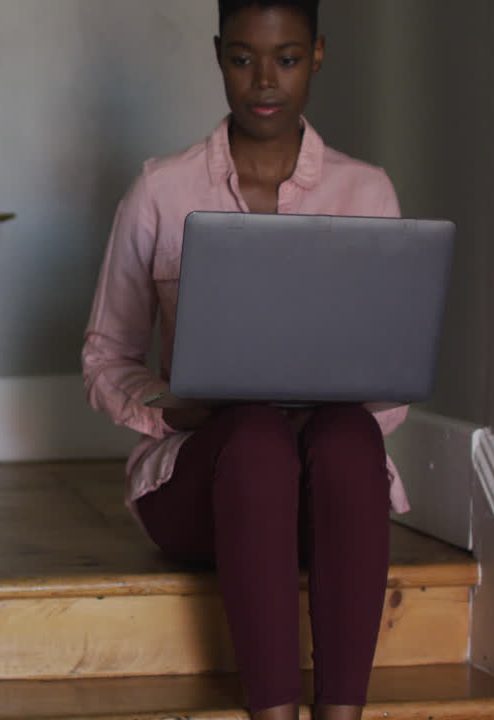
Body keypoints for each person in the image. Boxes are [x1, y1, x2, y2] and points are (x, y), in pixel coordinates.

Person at [81, 2, 411, 719]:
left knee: (351, 435)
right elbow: (106, 355)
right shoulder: (161, 191)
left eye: (287, 59)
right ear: (218, 55)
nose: (265, 81)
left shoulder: (367, 192)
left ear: (316, 55)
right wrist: (173, 407)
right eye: (242, 58)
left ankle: (343, 713)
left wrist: (333, 392)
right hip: (208, 484)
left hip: (322, 492)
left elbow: (391, 385)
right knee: (256, 435)